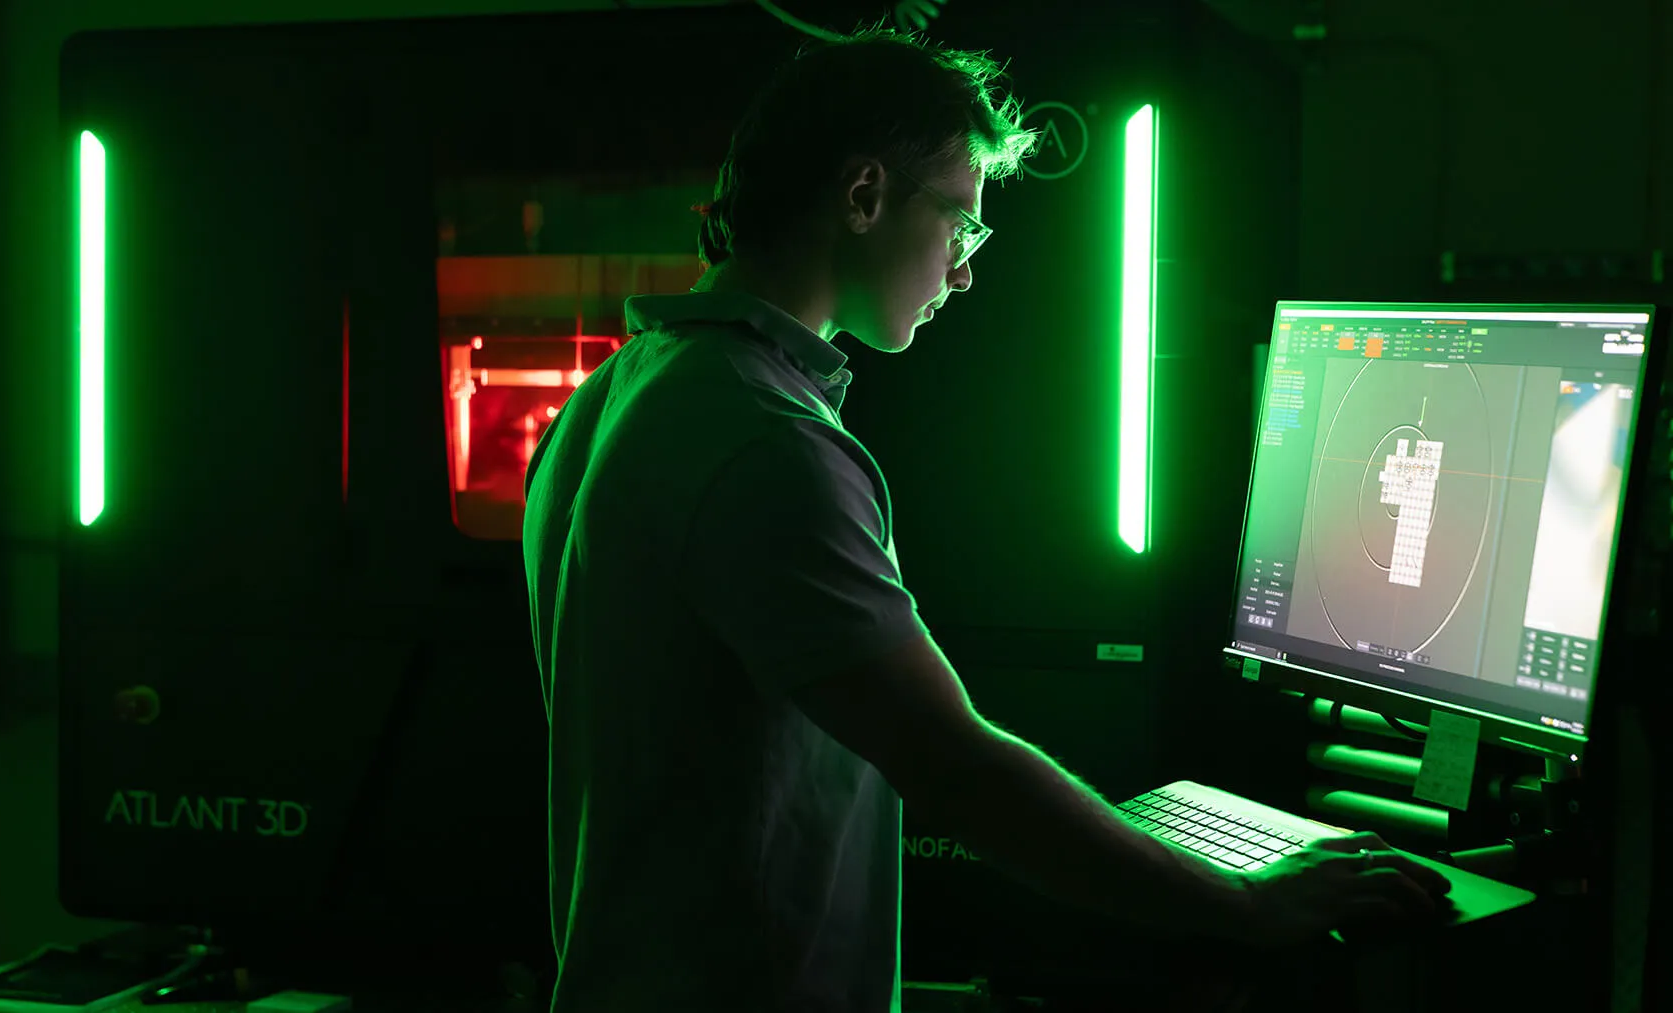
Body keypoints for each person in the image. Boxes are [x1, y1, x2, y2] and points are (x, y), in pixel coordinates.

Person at [520, 25, 1451, 1013]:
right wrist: (1244, 901)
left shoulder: (618, 389)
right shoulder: (765, 442)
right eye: (959, 223)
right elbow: (957, 769)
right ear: (865, 195)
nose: (964, 271)